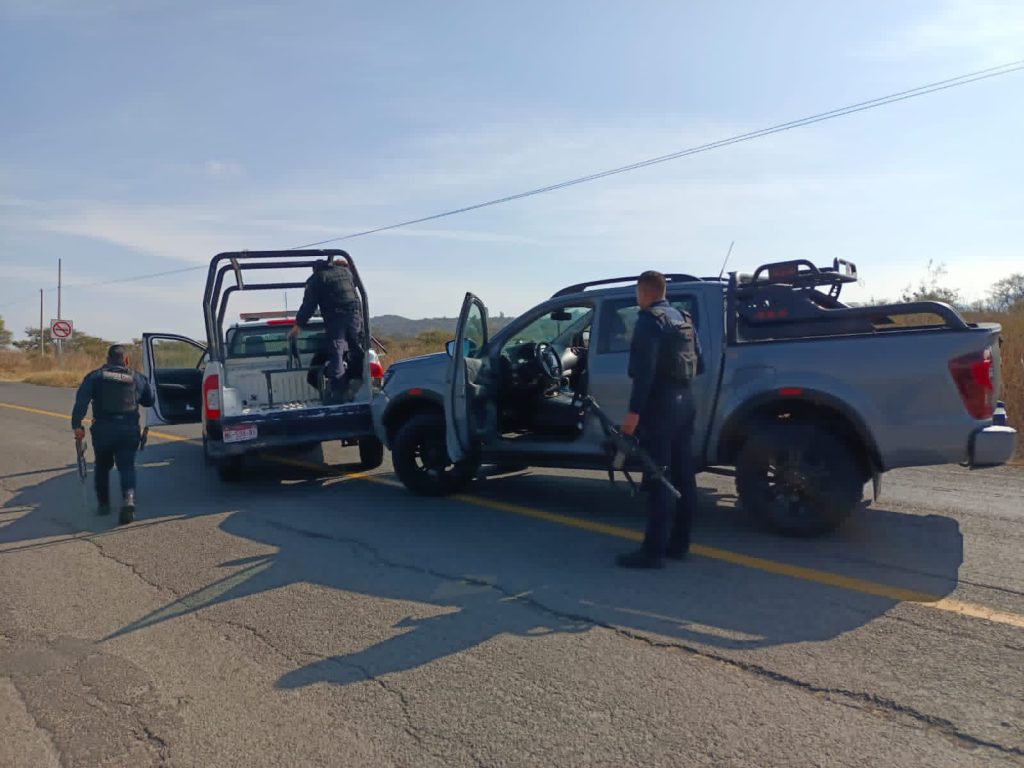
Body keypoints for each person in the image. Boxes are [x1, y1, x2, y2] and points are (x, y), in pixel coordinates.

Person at [617, 271, 701, 569]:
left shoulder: (648, 321)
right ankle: (679, 544)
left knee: (658, 477)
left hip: (660, 405)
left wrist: (632, 416)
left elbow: (644, 375)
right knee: (683, 475)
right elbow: (699, 362)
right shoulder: (683, 318)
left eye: (637, 293)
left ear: (643, 291)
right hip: (685, 401)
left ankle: (652, 552)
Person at [71, 344, 155, 524]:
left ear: (107, 359)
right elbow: (149, 401)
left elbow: (81, 402)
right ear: (126, 360)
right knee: (127, 466)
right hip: (128, 430)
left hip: (103, 431)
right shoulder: (136, 377)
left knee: (102, 466)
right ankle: (128, 499)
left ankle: (103, 505)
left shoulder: (95, 377)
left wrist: (77, 425)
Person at [289, 255, 365, 403]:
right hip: (354, 315)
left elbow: (309, 306)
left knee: (336, 355)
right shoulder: (346, 273)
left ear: (315, 270)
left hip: (335, 318)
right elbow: (356, 296)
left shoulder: (316, 279)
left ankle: (338, 394)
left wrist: (298, 325)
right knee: (357, 349)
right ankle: (362, 382)